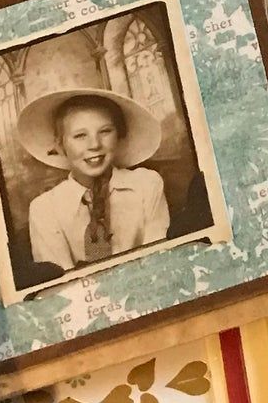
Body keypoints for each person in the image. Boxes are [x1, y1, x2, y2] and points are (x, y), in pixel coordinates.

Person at [19, 89, 169, 274]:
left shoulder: (146, 184)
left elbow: (161, 262)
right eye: (80, 136)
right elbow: (60, 284)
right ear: (60, 145)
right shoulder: (44, 209)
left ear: (119, 136)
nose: (94, 145)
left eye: (105, 131)